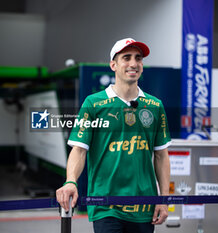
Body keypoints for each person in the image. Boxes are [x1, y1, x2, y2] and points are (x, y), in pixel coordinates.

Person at [56, 38, 171, 233]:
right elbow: (79, 150)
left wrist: (164, 199)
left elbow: (161, 155)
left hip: (144, 206)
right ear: (113, 65)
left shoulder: (155, 105)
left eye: (138, 58)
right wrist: (70, 181)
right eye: (126, 58)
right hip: (106, 205)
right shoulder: (93, 103)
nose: (133, 63)